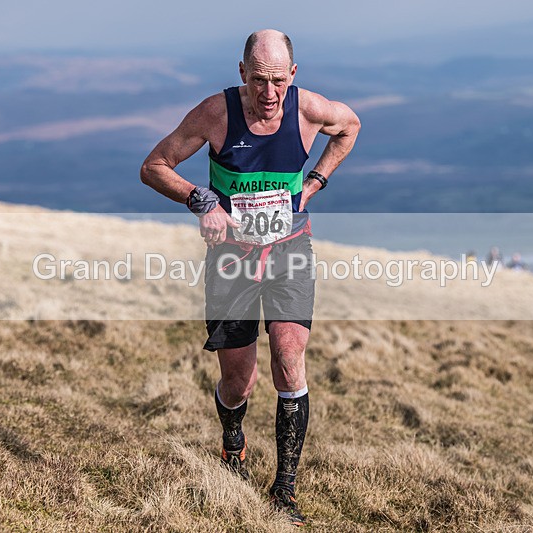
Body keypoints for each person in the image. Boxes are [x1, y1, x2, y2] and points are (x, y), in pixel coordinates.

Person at [140, 29, 360, 526]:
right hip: (232, 261)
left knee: (289, 358)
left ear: (293, 75)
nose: (269, 92)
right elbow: (153, 166)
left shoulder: (309, 110)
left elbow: (350, 127)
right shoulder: (216, 114)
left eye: (279, 81)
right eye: (259, 80)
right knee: (239, 380)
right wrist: (201, 201)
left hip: (289, 252)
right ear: (242, 73)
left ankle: (285, 490)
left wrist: (316, 181)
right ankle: (233, 440)